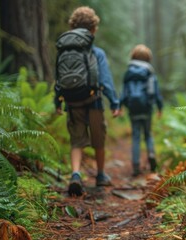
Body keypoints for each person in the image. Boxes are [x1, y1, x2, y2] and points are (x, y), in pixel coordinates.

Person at [54, 6, 120, 196]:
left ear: (73, 26)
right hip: (94, 102)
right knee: (98, 139)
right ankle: (100, 175)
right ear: (93, 29)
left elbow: (58, 79)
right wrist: (114, 102)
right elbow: (105, 80)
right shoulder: (96, 52)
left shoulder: (63, 50)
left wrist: (57, 102)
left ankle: (75, 174)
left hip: (72, 102)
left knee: (77, 141)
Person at [119, 44, 163, 177]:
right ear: (148, 58)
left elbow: (124, 92)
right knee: (148, 134)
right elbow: (155, 92)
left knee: (136, 136)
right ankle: (151, 154)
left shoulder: (129, 73)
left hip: (133, 108)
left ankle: (136, 166)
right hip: (147, 107)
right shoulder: (149, 72)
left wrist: (119, 106)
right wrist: (160, 107)